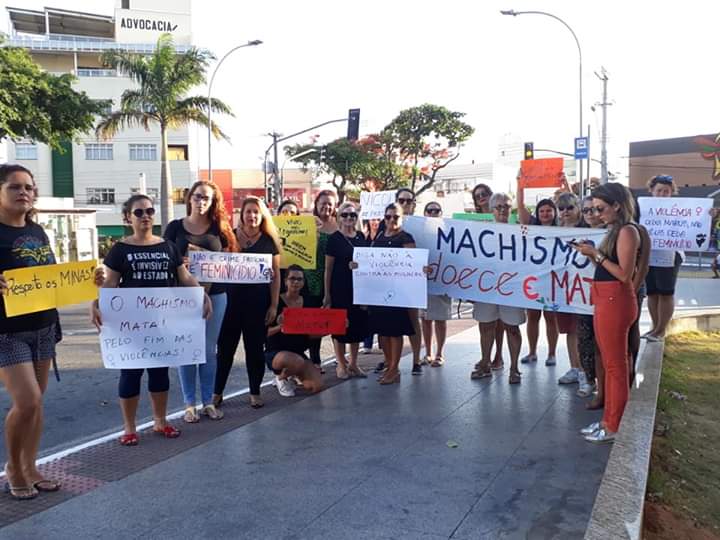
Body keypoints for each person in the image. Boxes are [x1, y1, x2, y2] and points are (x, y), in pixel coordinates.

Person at [91, 194, 212, 446]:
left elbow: (184, 277)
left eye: (149, 211)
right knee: (130, 375)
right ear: (128, 218)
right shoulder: (119, 250)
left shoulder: (167, 246)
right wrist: (97, 303)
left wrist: (202, 295)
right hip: (131, 326)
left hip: (162, 324)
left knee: (159, 375)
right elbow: (110, 284)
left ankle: (160, 421)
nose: (145, 216)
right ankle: (129, 428)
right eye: (138, 212)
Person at [0, 164, 62, 499]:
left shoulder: (38, 231)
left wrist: (86, 280)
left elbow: (52, 273)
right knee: (27, 401)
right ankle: (12, 466)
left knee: (37, 405)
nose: (24, 192)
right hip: (6, 331)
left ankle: (31, 465)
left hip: (43, 326)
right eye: (15, 187)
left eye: (29, 187)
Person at [164, 180, 236, 423]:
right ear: (189, 198)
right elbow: (165, 261)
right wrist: (179, 264)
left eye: (207, 198)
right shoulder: (175, 228)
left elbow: (231, 260)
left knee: (208, 350)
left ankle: (208, 402)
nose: (201, 202)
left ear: (214, 201)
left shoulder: (220, 228)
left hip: (216, 294)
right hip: (183, 295)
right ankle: (188, 404)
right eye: (197, 197)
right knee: (186, 349)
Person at [574, 183, 641, 443]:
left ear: (617, 205)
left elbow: (624, 274)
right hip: (607, 298)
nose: (597, 213)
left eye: (601, 208)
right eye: (593, 209)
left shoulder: (627, 231)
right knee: (613, 363)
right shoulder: (616, 231)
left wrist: (596, 255)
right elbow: (609, 267)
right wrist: (592, 254)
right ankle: (608, 420)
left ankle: (613, 424)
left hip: (615, 300)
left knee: (615, 367)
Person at [215, 196, 281, 409]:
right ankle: (217, 392)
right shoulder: (230, 238)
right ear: (241, 215)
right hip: (230, 304)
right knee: (225, 350)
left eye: (256, 212)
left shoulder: (269, 241)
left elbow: (276, 275)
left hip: (257, 304)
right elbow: (218, 267)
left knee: (254, 350)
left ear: (261, 216)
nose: (252, 215)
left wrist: (273, 305)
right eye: (248, 211)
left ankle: (255, 391)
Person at [471, 193, 525, 384]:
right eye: (499, 207)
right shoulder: (481, 232)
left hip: (511, 288)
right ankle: (485, 362)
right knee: (485, 326)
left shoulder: (521, 231)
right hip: (487, 288)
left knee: (512, 328)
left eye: (506, 206)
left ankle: (514, 368)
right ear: (492, 210)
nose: (502, 210)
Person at [367, 203, 418, 384]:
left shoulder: (406, 238)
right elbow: (369, 261)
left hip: (397, 292)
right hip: (379, 292)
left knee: (395, 332)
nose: (391, 220)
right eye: (387, 217)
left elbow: (412, 265)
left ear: (401, 218)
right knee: (382, 332)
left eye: (395, 217)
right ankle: (389, 365)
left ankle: (395, 368)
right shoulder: (379, 236)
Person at [324, 201, 369, 379]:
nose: (349, 218)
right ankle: (341, 364)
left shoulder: (361, 237)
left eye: (352, 215)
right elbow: (328, 269)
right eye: (345, 214)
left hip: (359, 288)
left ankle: (354, 363)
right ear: (339, 217)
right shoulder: (334, 239)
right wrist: (327, 295)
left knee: (357, 326)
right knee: (340, 326)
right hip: (340, 288)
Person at [517, 187, 560, 367]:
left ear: (554, 212)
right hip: (534, 279)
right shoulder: (532, 225)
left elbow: (571, 201)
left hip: (553, 281)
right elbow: (519, 205)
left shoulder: (562, 228)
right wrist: (520, 183)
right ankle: (532, 352)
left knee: (551, 318)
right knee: (532, 317)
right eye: (541, 211)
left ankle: (551, 354)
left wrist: (564, 182)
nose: (545, 213)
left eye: (548, 210)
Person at [266, 265, 323, 397]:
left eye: (299, 279)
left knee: (316, 386)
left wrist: (336, 327)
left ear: (303, 282)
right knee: (296, 361)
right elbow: (262, 334)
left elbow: (313, 334)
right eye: (292, 279)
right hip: (276, 353)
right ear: (285, 281)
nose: (296, 282)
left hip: (298, 353)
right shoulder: (275, 302)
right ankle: (280, 377)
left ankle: (292, 373)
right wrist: (280, 326)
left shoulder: (308, 303)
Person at [555, 192, 590, 393]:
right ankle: (575, 368)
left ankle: (587, 374)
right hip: (562, 289)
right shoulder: (554, 232)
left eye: (570, 207)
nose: (566, 212)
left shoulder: (588, 231)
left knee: (583, 332)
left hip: (583, 289)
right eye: (562, 208)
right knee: (569, 330)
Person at [643, 175, 681, 342]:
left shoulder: (681, 209)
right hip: (648, 255)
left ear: (672, 193)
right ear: (651, 191)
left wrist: (708, 214)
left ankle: (661, 330)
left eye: (666, 191)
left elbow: (695, 223)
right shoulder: (642, 208)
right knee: (652, 293)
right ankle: (654, 327)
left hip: (670, 254)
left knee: (666, 293)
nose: (662, 194)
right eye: (659, 190)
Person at [472, 183, 505, 370]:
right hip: (480, 278)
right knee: (484, 321)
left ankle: (498, 356)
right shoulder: (470, 221)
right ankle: (485, 355)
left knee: (500, 322)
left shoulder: (504, 217)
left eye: (485, 193)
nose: (482, 197)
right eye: (478, 196)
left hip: (502, 276)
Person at [304, 190, 338, 370]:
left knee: (335, 320)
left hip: (334, 278)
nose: (326, 206)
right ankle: (315, 360)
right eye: (323, 203)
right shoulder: (308, 224)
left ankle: (340, 357)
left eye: (330, 204)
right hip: (311, 277)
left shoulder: (339, 224)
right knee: (314, 321)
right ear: (316, 204)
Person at [577, 196, 604, 408]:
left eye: (593, 210)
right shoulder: (573, 233)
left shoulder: (612, 235)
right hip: (581, 298)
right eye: (585, 211)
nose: (589, 214)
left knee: (603, 346)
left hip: (605, 298)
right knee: (585, 342)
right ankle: (589, 379)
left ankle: (604, 388)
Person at [395, 188, 424, 374]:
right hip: (390, 283)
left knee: (414, 321)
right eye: (401, 200)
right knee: (390, 324)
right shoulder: (386, 223)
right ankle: (390, 360)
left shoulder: (423, 224)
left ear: (414, 203)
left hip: (412, 281)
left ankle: (416, 359)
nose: (405, 204)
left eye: (409, 201)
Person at [420, 202, 451, 366]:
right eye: (429, 210)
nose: (433, 213)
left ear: (441, 213)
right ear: (424, 213)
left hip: (442, 280)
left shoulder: (448, 231)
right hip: (423, 282)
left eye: (436, 210)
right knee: (425, 319)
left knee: (440, 318)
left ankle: (440, 353)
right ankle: (428, 353)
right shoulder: (419, 232)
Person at [360, 218, 381, 354]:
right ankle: (367, 342)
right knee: (367, 312)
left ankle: (382, 344)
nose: (375, 222)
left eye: (378, 219)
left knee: (380, 313)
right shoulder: (363, 238)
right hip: (366, 280)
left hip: (381, 280)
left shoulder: (385, 237)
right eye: (373, 219)